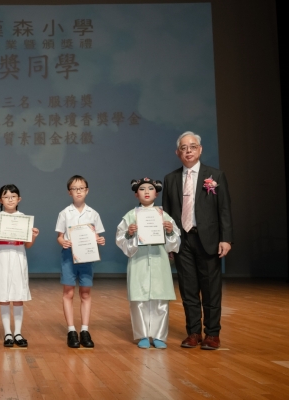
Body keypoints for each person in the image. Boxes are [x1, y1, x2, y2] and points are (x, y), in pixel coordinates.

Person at [162, 131, 233, 350]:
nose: (188, 151)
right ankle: (193, 332)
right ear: (177, 153)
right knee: (188, 289)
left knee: (211, 289)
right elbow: (167, 215)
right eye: (183, 148)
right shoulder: (171, 179)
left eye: (192, 147)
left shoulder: (215, 176)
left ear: (200, 150)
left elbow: (224, 209)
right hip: (182, 240)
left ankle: (212, 333)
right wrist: (168, 243)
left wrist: (226, 239)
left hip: (208, 240)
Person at [115, 178, 180, 349]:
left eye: (150, 188)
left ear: (156, 193)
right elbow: (120, 239)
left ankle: (159, 336)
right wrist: (129, 234)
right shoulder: (130, 216)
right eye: (142, 189)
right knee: (139, 300)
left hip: (159, 262)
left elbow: (175, 243)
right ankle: (142, 335)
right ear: (136, 194)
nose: (146, 192)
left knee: (160, 300)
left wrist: (170, 231)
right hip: (139, 262)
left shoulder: (164, 216)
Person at [55, 175, 105, 348]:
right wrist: (63, 242)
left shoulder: (93, 213)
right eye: (74, 189)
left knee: (85, 293)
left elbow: (97, 235)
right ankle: (71, 330)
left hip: (87, 257)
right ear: (69, 192)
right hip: (69, 256)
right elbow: (59, 237)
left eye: (81, 188)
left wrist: (100, 240)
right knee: (68, 292)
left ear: (87, 190)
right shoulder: (64, 213)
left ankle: (84, 330)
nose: (78, 191)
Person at [0, 184, 39, 347]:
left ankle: (18, 332)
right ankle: (7, 333)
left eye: (13, 196)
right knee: (3, 296)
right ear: (0, 200)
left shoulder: (24, 218)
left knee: (18, 296)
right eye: (6, 197)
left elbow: (28, 245)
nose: (10, 200)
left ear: (19, 199)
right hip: (2, 256)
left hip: (18, 256)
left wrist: (33, 236)